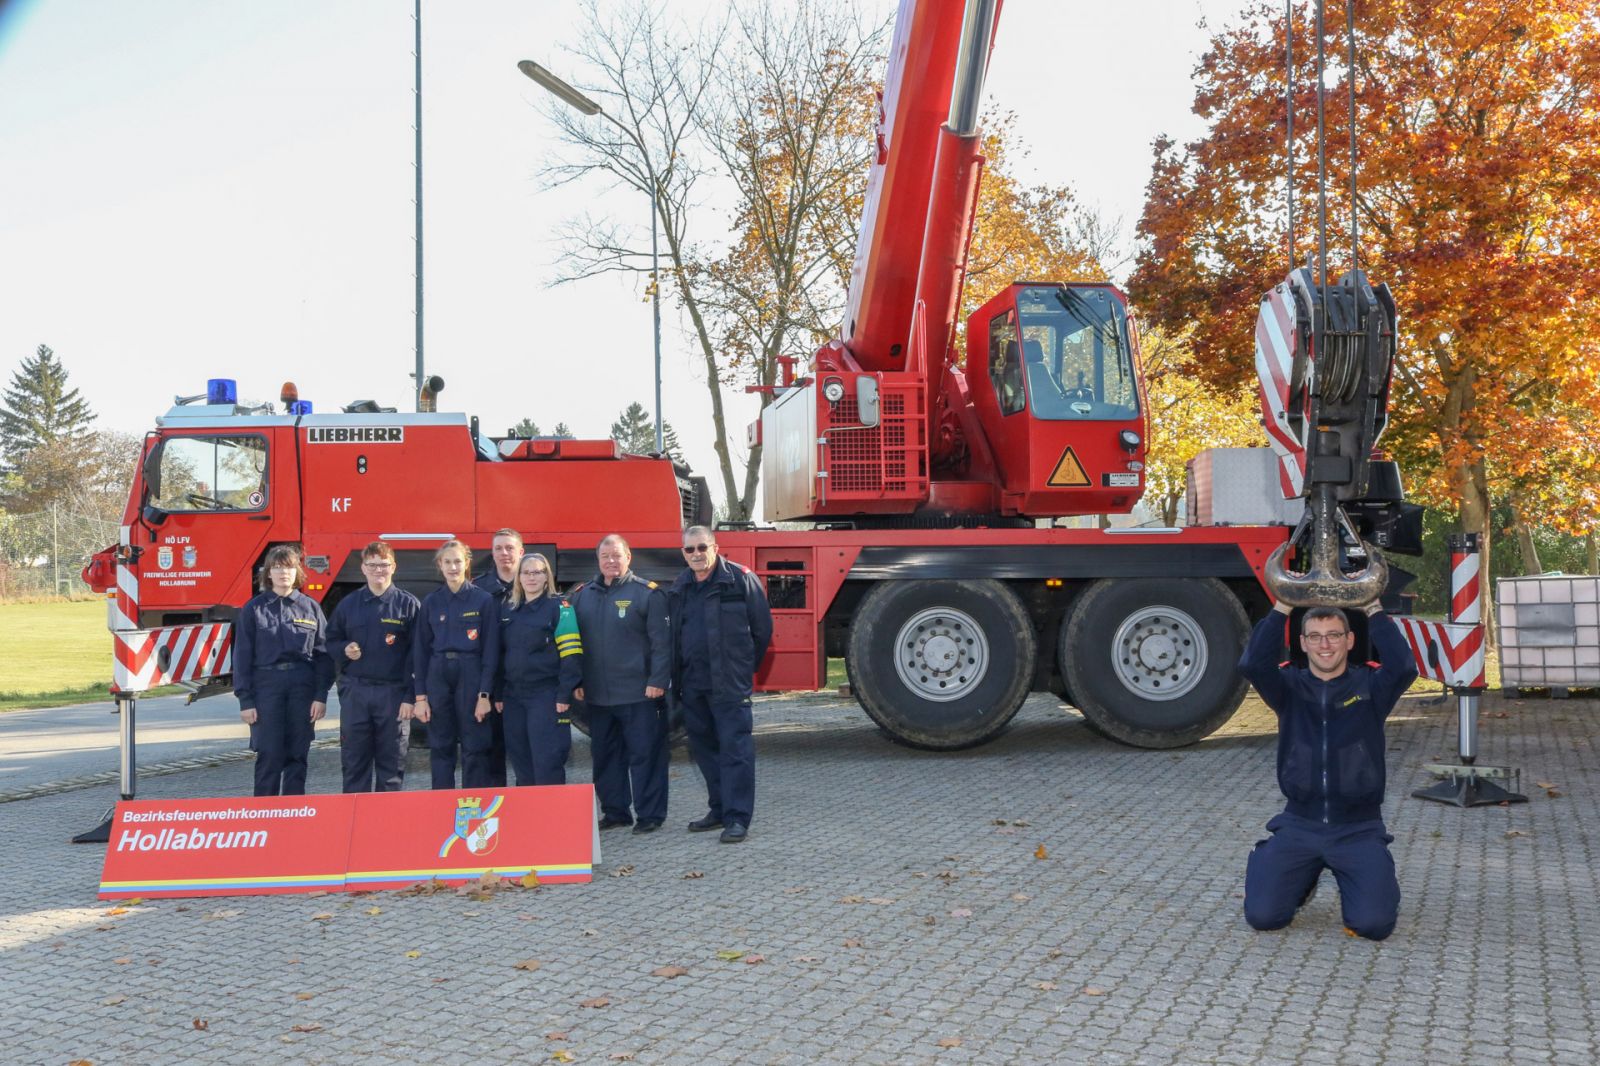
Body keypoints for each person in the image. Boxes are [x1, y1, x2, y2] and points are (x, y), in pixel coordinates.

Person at [1239, 599, 1418, 940]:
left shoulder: (1370, 687)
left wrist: (1373, 609)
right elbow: (1253, 663)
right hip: (1299, 824)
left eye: (1334, 635)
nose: (1325, 644)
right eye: (1315, 636)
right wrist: (1282, 607)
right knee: (1263, 916)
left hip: (1358, 828)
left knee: (1373, 925)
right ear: (1303, 643)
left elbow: (1403, 667)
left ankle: (1370, 875)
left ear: (1349, 640)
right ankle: (1298, 878)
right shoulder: (1288, 687)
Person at [668, 526, 772, 844]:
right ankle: (719, 809)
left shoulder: (740, 579)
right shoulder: (681, 586)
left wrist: (741, 669)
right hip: (693, 684)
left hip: (729, 684)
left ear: (715, 547)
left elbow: (762, 631)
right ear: (683, 553)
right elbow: (675, 636)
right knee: (704, 750)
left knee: (735, 751)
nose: (697, 554)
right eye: (690, 549)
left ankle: (737, 818)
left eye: (702, 547)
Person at [570, 534, 671, 834]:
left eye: (617, 555)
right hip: (598, 695)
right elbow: (573, 644)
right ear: (598, 559)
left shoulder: (647, 593)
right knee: (605, 757)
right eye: (605, 556)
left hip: (639, 693)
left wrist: (657, 680)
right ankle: (615, 812)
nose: (611, 561)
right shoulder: (581, 595)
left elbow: (662, 643)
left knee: (645, 755)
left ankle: (650, 815)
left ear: (628, 557)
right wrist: (577, 679)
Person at [233, 545, 335, 796]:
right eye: (277, 568)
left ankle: (294, 812)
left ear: (297, 571)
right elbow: (242, 658)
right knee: (269, 754)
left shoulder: (311, 608)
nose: (283, 573)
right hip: (267, 687)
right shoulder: (253, 609)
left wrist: (320, 696)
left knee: (297, 754)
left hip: (302, 687)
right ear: (268, 573)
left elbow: (324, 656)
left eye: (289, 567)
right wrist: (246, 700)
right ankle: (264, 813)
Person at [326, 541, 420, 792]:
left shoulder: (408, 605)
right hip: (356, 693)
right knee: (354, 764)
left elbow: (418, 656)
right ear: (363, 568)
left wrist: (410, 697)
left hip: (394, 695)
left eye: (384, 565)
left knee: (392, 767)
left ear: (394, 567)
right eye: (372, 565)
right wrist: (344, 649)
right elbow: (330, 641)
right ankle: (354, 815)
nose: (378, 570)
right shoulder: (348, 604)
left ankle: (386, 817)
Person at [413, 539, 502, 789]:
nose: (453, 567)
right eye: (447, 562)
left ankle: (474, 803)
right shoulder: (431, 602)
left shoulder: (483, 600)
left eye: (458, 561)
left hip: (471, 674)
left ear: (466, 563)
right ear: (440, 565)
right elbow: (420, 652)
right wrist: (420, 697)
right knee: (441, 745)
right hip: (438, 675)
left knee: (475, 745)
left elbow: (491, 652)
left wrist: (484, 694)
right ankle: (442, 802)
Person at [495, 552, 583, 785]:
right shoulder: (508, 609)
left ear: (547, 577)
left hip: (546, 695)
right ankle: (528, 808)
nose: (531, 577)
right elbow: (500, 654)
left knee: (548, 761)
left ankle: (551, 809)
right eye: (526, 572)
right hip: (513, 697)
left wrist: (564, 694)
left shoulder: (561, 608)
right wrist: (498, 693)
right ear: (519, 577)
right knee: (521, 762)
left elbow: (571, 654)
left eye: (537, 572)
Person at [472, 528, 525, 787]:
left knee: (525, 751)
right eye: (498, 548)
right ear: (492, 553)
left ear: (521, 552)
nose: (504, 553)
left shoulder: (533, 584)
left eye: (510, 548)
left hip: (522, 681)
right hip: (489, 683)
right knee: (490, 751)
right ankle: (496, 804)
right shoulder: (478, 589)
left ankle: (527, 803)